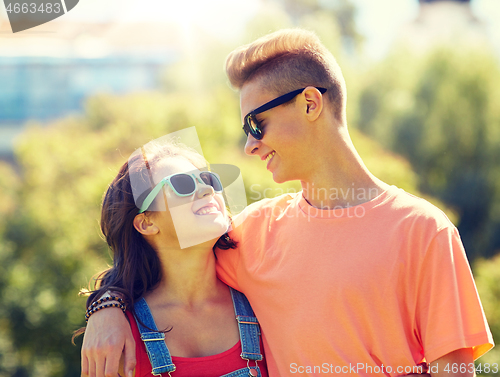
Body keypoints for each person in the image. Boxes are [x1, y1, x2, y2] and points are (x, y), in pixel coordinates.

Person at [81, 29, 494, 377]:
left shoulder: (423, 231)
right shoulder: (251, 233)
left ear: (310, 103)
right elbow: (166, 266)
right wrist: (106, 306)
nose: (249, 145)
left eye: (255, 124)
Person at [77, 138, 268, 377]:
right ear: (147, 222)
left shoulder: (262, 299)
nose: (208, 189)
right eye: (182, 184)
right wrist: (104, 306)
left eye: (208, 179)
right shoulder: (119, 335)